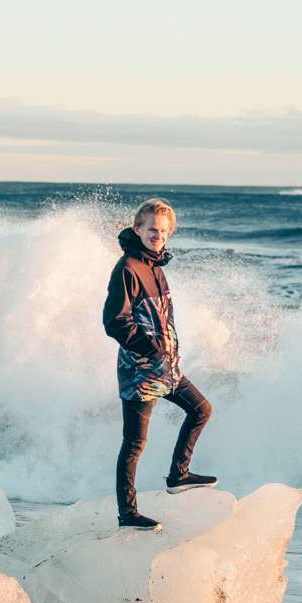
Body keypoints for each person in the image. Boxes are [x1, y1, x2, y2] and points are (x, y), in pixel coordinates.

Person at [103, 198, 217, 531]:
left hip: (166, 369)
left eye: (165, 231)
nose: (159, 236)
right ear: (137, 228)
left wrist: (167, 353)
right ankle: (128, 514)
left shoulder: (155, 268)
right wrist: (150, 348)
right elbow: (114, 320)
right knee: (134, 444)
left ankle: (178, 475)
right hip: (141, 370)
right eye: (153, 229)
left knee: (201, 410)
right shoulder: (128, 269)